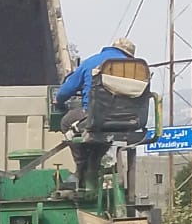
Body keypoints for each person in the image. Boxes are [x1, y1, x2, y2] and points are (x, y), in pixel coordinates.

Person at [55, 37, 136, 178]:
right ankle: (93, 164)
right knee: (103, 136)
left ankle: (82, 167)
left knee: (67, 122)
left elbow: (65, 91)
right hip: (127, 120)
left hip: (97, 118)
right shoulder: (135, 68)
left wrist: (59, 101)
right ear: (129, 55)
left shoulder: (92, 62)